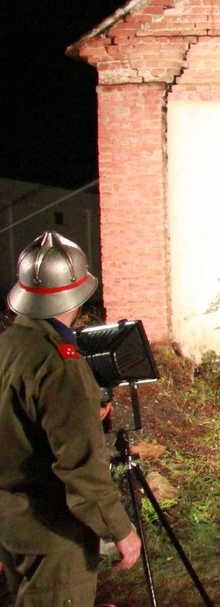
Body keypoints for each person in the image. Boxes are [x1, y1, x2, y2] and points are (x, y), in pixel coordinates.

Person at [0, 231, 141, 606]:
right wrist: (120, 529)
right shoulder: (59, 361)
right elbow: (79, 462)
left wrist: (80, 414)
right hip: (54, 530)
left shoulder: (8, 345)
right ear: (76, 294)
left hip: (12, 524)